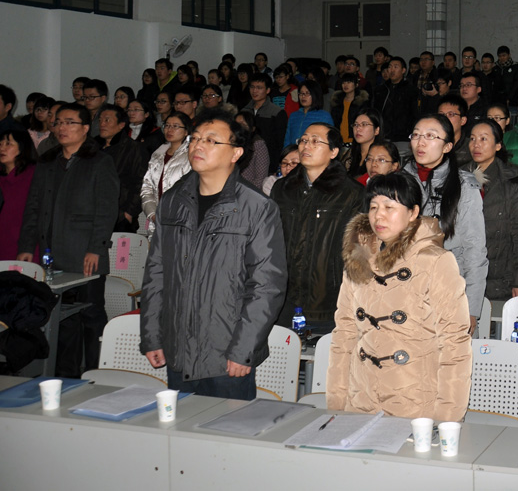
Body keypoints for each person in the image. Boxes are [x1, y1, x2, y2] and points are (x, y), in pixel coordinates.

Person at [140, 109, 287, 401]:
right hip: (178, 347)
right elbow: (156, 272)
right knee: (180, 427)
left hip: (226, 354)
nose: (198, 145)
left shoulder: (257, 207)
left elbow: (266, 286)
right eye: (195, 139)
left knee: (228, 429)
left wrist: (243, 349)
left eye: (211, 140)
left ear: (236, 153)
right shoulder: (173, 201)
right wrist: (152, 336)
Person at [327, 173, 471, 420]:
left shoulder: (436, 261)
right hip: (360, 400)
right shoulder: (358, 257)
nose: (378, 216)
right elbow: (344, 333)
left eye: (389, 207)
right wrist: (336, 403)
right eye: (373, 207)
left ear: (413, 212)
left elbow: (454, 341)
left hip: (416, 404)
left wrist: (447, 417)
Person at [16, 103, 119, 377]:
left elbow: (107, 209)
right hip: (51, 253)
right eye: (58, 122)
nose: (62, 127)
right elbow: (33, 207)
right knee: (62, 316)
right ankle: (67, 375)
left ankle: (97, 372)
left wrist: (96, 249)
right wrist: (26, 246)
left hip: (85, 253)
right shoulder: (47, 161)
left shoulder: (100, 161)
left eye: (69, 122)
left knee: (91, 314)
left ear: (85, 128)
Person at [272, 122, 363, 326]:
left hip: (327, 299)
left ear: (334, 152)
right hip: (283, 298)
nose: (306, 146)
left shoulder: (352, 194)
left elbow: (358, 251)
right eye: (303, 140)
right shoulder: (282, 189)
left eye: (315, 141)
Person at [403, 114, 488, 331]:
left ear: (447, 146)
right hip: (403, 292)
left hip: (447, 292)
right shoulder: (398, 182)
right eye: (416, 135)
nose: (421, 142)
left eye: (430, 136)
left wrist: (471, 308)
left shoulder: (464, 186)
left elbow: (474, 248)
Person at [467, 119, 518, 303]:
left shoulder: (512, 182)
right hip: (465, 275)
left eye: (483, 139)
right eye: (472, 138)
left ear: (498, 145)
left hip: (501, 275)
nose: (476, 144)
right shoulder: (460, 177)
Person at [96, 105, 148, 234]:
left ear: (121, 125)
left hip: (119, 215)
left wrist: (128, 213)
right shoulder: (93, 147)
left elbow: (141, 183)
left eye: (107, 120)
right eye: (100, 120)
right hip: (93, 213)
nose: (102, 124)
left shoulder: (134, 148)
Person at [141, 112, 193, 234]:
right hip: (157, 221)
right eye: (167, 125)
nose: (170, 129)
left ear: (186, 131)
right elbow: (147, 188)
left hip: (181, 222)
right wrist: (153, 215)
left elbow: (191, 192)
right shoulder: (157, 154)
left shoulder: (191, 156)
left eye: (175, 126)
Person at [0, 130, 38, 260]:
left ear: (22, 148)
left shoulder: (33, 174)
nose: (2, 148)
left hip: (24, 245)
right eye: (0, 144)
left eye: (8, 144)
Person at [243, 73, 288, 174]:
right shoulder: (244, 111)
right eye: (252, 87)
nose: (254, 91)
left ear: (268, 90)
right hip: (246, 161)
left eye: (259, 88)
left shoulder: (277, 112)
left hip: (269, 162)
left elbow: (280, 142)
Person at [283, 79, 334, 149]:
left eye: (307, 93)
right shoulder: (293, 116)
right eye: (301, 93)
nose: (303, 96)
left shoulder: (324, 116)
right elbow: (287, 140)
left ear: (315, 95)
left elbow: (330, 141)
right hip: (294, 153)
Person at [331, 73, 370, 144]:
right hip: (339, 139)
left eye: (349, 82)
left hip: (355, 139)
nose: (345, 85)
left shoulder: (361, 103)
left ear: (356, 85)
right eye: (343, 82)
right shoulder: (337, 102)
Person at [343, 110, 383, 179]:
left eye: (364, 124)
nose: (358, 128)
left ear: (376, 130)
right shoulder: (350, 154)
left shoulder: (382, 156)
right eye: (355, 125)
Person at [496, 45, 518, 116]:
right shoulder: (496, 68)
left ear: (509, 55)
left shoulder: (516, 68)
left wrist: (509, 98)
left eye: (504, 55)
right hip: (497, 101)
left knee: (511, 119)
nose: (502, 58)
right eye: (500, 56)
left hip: (511, 102)